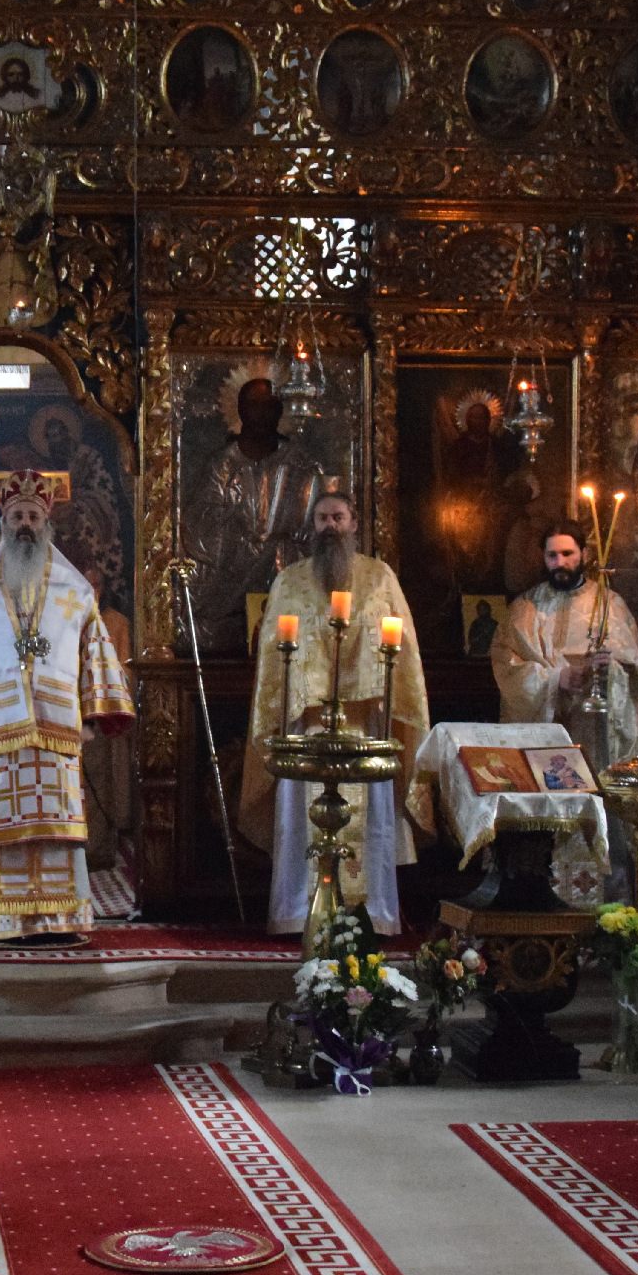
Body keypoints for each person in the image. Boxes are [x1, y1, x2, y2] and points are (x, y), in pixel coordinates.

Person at [0, 470, 133, 943]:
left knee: (58, 827)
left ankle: (61, 923)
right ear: (4, 522)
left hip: (60, 730)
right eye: (17, 515)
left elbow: (96, 656)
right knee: (4, 828)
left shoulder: (76, 593)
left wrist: (93, 719)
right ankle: (4, 924)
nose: (25, 523)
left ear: (47, 524)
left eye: (33, 515)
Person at [239, 489, 429, 937]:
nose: (330, 526)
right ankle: (298, 911)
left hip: (365, 724)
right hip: (307, 725)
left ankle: (371, 913)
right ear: (313, 525)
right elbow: (273, 654)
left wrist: (380, 690)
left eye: (338, 517)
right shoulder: (290, 581)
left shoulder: (381, 577)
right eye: (322, 518)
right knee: (298, 814)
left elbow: (404, 651)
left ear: (354, 523)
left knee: (373, 821)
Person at [182, 373, 330, 651]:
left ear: (279, 411)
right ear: (240, 410)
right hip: (231, 590)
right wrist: (236, 531)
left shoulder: (301, 467)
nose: (262, 414)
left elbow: (317, 530)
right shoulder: (223, 466)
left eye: (269, 406)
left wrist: (279, 546)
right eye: (254, 405)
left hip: (287, 585)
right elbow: (200, 524)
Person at [492, 520, 638, 767]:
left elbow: (635, 674)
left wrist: (608, 670)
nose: (559, 563)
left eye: (567, 554)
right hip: (545, 736)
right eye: (551, 555)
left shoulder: (610, 605)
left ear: (584, 554)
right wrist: (557, 678)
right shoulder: (523, 610)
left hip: (592, 730)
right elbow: (507, 667)